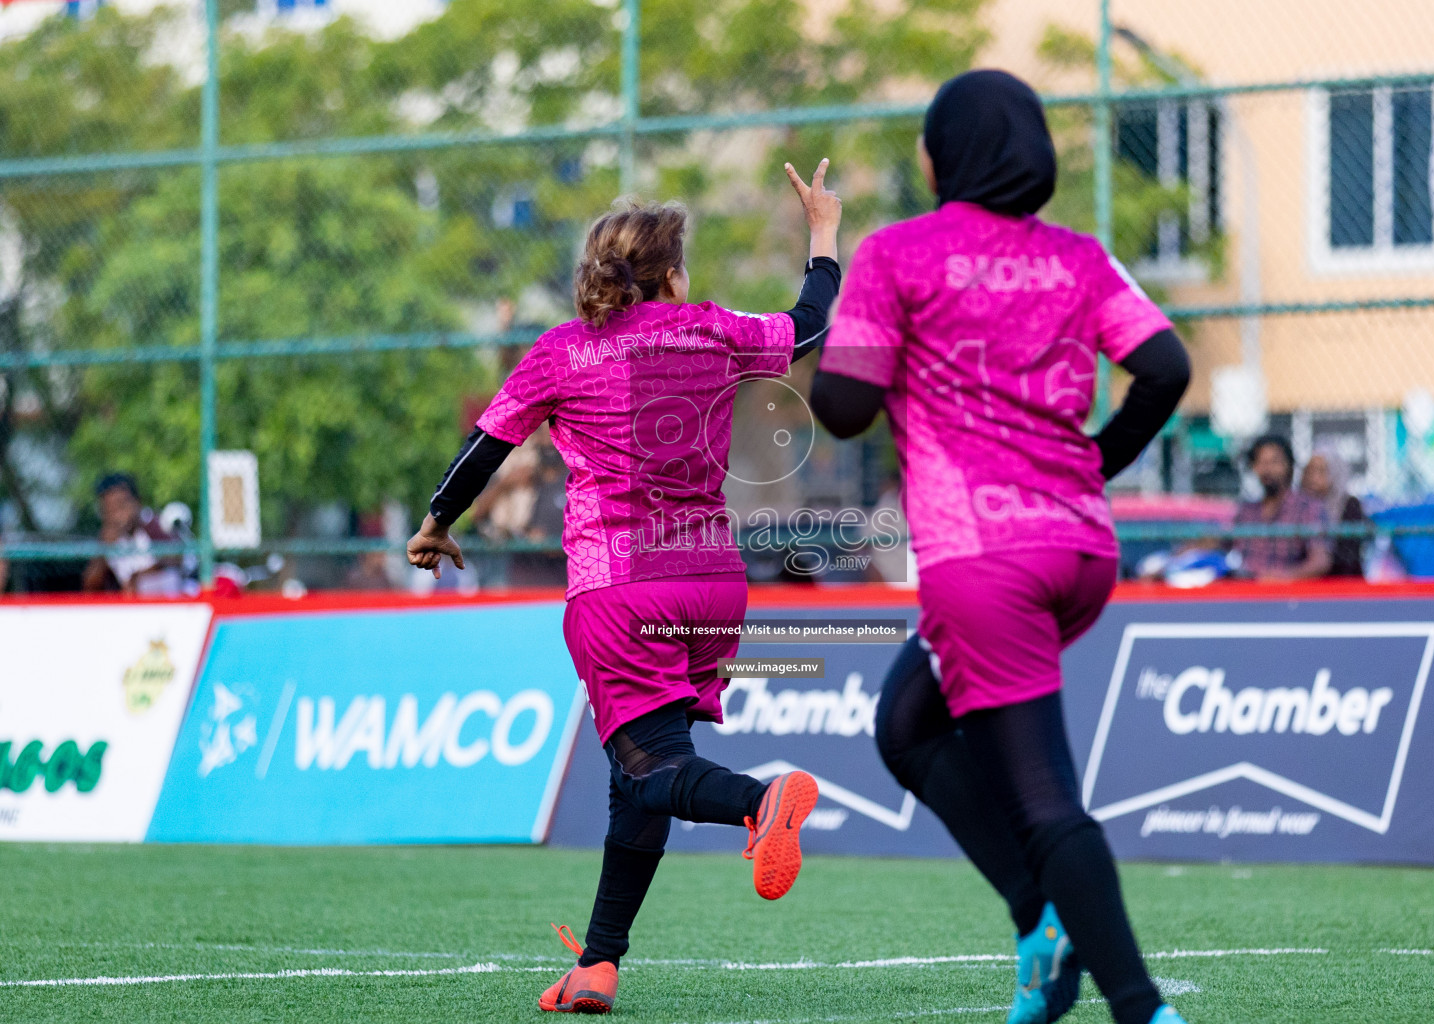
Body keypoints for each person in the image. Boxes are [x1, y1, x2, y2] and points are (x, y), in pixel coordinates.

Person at [405, 164, 843, 1016]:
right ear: (672, 274)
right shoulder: (713, 330)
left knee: (651, 771)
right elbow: (806, 325)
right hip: (713, 586)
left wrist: (436, 521)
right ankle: (600, 963)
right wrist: (822, 231)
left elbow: (485, 446)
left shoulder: (561, 352)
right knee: (634, 772)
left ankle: (763, 801)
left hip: (621, 592)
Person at [809, 71, 1193, 1024]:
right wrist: (1093, 465)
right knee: (905, 724)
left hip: (983, 559)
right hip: (1080, 552)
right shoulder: (1079, 257)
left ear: (943, 157)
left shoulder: (899, 254)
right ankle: (1040, 918)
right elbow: (1166, 367)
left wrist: (834, 307)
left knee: (1044, 798)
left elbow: (843, 410)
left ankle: (1144, 1010)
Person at [1232, 435, 1330, 581]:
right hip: (1245, 591)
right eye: (1261, 462)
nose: (1267, 469)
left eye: (1274, 462)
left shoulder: (1308, 508)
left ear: (1289, 465)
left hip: (1288, 595)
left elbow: (1320, 562)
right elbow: (1221, 542)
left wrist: (1285, 577)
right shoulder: (1246, 511)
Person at [82, 473, 189, 596]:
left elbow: (176, 558)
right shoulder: (108, 537)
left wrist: (138, 577)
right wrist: (103, 551)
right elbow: (90, 586)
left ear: (137, 502)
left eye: (121, 505)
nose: (117, 515)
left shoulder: (153, 524)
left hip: (171, 601)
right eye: (109, 510)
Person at [1301, 448, 1366, 577]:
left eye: (1321, 471)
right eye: (1309, 471)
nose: (1313, 478)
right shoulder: (1298, 506)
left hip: (1342, 583)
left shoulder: (1349, 505)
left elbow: (1348, 558)